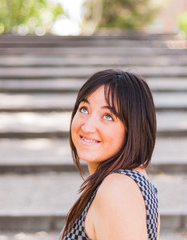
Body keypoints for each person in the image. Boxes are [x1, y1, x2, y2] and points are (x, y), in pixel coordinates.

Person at [60, 69, 159, 240]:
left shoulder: (118, 188)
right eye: (84, 109)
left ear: (133, 129)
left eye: (108, 116)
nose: (87, 127)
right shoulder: (131, 181)